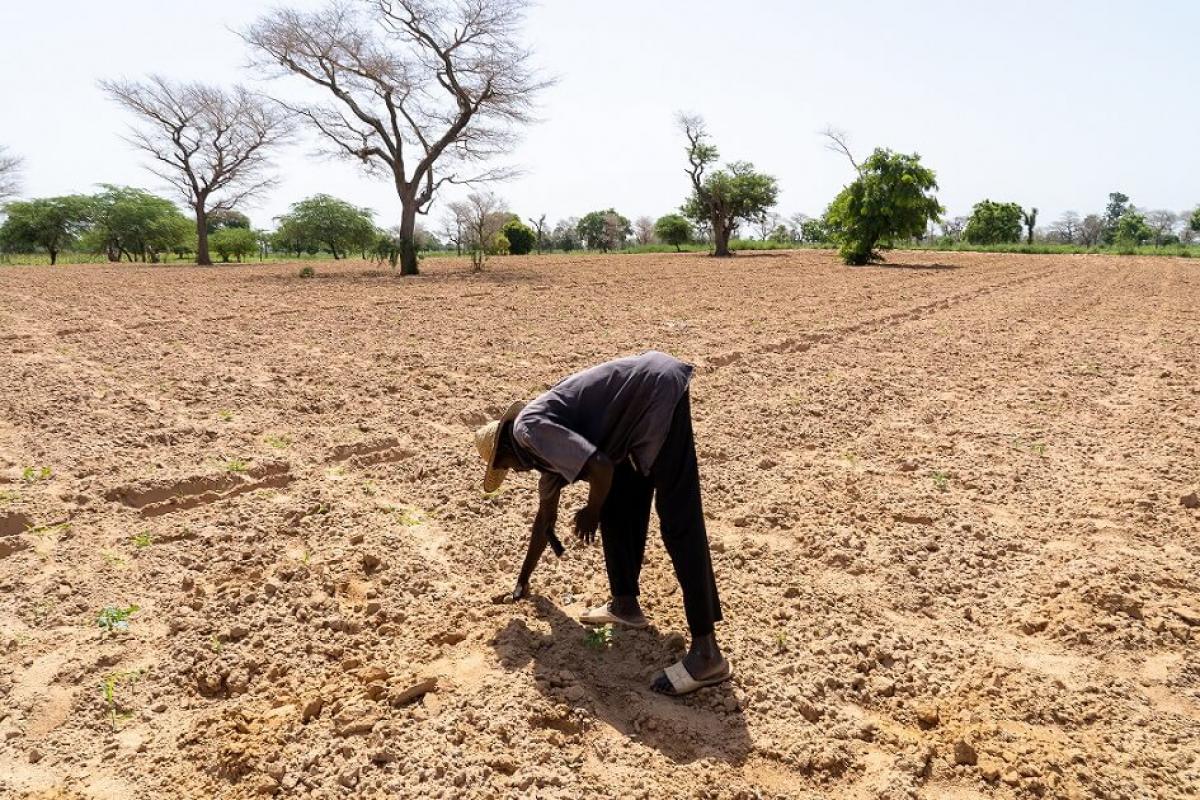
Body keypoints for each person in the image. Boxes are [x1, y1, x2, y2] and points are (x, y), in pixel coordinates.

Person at [473, 351, 730, 696]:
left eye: (505, 465)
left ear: (507, 445)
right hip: (632, 426)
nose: (514, 472)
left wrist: (590, 511)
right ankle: (625, 604)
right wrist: (523, 583)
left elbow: (601, 468)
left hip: (655, 392)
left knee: (678, 520)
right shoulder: (540, 455)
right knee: (618, 501)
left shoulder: (529, 429)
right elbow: (544, 521)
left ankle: (707, 654)